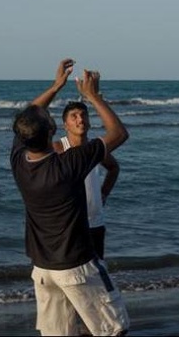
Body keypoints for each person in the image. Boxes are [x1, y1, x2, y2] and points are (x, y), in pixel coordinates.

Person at [10, 59, 130, 336]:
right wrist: (93, 95)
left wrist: (56, 86)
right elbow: (119, 133)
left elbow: (29, 114)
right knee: (114, 329)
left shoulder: (19, 160)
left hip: (42, 269)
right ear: (54, 130)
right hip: (76, 266)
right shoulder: (68, 164)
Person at [54, 101, 120, 261]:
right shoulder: (58, 148)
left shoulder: (94, 148)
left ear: (89, 122)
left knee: (97, 272)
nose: (80, 119)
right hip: (67, 226)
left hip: (95, 223)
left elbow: (113, 168)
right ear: (66, 125)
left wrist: (104, 193)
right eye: (74, 116)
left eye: (84, 115)